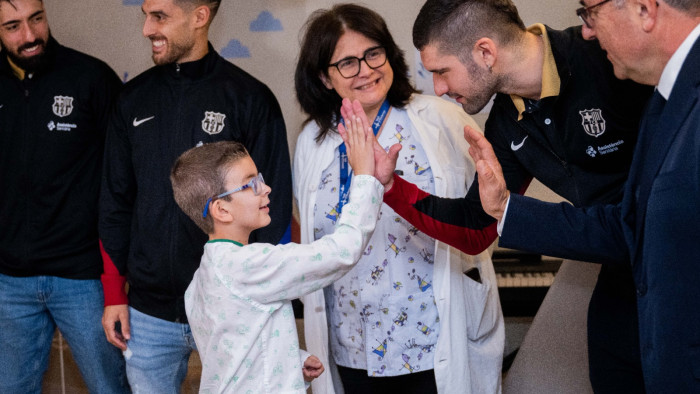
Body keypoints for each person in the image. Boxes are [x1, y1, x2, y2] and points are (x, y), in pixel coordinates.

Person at [372, 0, 654, 391]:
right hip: (621, 270)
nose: (437, 88)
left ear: (485, 52)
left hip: (675, 255)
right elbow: (478, 225)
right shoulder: (506, 120)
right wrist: (390, 187)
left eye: (441, 71)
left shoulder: (607, 57)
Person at [465, 0, 700, 391]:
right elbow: (628, 225)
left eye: (590, 11)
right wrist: (505, 208)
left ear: (644, 9)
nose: (587, 31)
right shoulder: (663, 100)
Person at [293, 4, 503, 393]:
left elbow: (483, 215)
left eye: (374, 53)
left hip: (431, 336)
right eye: (348, 63)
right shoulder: (313, 141)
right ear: (324, 77)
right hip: (351, 341)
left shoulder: (443, 119)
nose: (367, 69)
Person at [99, 0, 292, 391]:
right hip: (149, 314)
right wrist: (114, 293)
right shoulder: (131, 99)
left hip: (231, 309)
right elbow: (114, 202)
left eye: (160, 17)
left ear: (200, 16)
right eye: (146, 16)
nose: (147, 29)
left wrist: (259, 297)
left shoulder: (251, 98)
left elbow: (276, 211)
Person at [170, 113, 381, 393]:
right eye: (250, 184)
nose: (266, 188)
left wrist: (293, 360)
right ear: (221, 209)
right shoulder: (250, 265)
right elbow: (341, 252)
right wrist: (365, 177)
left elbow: (234, 350)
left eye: (260, 178)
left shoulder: (201, 279)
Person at [0, 0, 128, 393]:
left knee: (110, 387)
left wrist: (116, 281)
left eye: (36, 19)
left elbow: (123, 180)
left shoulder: (91, 78)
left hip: (83, 276)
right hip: (9, 281)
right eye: (13, 26)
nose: (30, 35)